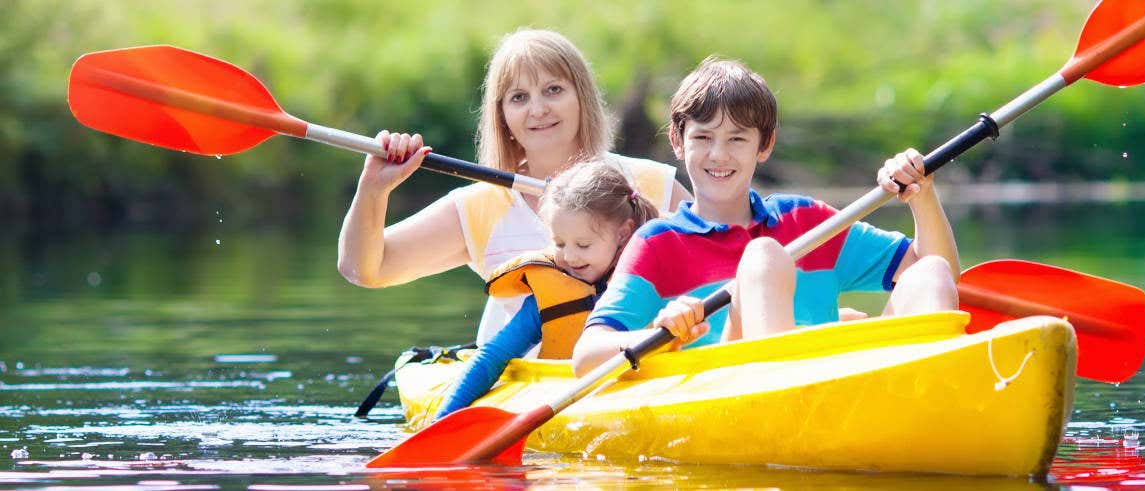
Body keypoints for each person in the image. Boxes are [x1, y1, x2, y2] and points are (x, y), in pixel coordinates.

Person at [573, 57, 962, 375]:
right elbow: (585, 356)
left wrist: (921, 195)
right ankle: (785, 391)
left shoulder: (806, 219)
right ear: (678, 141)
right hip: (737, 396)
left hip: (835, 391)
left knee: (931, 273)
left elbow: (937, 271)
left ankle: (929, 400)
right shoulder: (657, 243)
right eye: (703, 138)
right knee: (764, 257)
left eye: (737, 139)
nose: (719, 155)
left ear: (765, 144)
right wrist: (658, 333)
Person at [336, 29, 690, 344]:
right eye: (518, 97)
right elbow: (364, 269)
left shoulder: (649, 184)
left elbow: (729, 251)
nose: (537, 109)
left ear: (581, 98)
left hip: (637, 369)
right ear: (502, 115)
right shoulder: (480, 206)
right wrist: (373, 190)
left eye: (553, 90)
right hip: (521, 387)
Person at [426, 161, 658, 421]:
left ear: (623, 234)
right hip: (573, 404)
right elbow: (493, 356)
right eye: (559, 243)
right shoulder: (550, 293)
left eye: (583, 244)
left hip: (652, 392)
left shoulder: (654, 275)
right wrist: (442, 420)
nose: (570, 256)